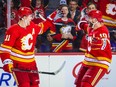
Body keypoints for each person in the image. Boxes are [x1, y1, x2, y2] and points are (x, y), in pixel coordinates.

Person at [0, 7, 56, 87]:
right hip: (18, 63)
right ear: (24, 17)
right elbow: (5, 49)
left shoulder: (32, 26)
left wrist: (50, 18)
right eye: (30, 16)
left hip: (31, 63)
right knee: (24, 85)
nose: (32, 18)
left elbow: (42, 28)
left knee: (35, 84)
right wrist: (7, 62)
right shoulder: (13, 30)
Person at [74, 10, 112, 87]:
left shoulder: (102, 31)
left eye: (89, 18)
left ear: (95, 20)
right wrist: (79, 25)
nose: (87, 19)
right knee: (78, 84)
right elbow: (82, 25)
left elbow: (102, 46)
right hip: (88, 61)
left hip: (100, 62)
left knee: (86, 85)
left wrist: (95, 43)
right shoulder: (91, 28)